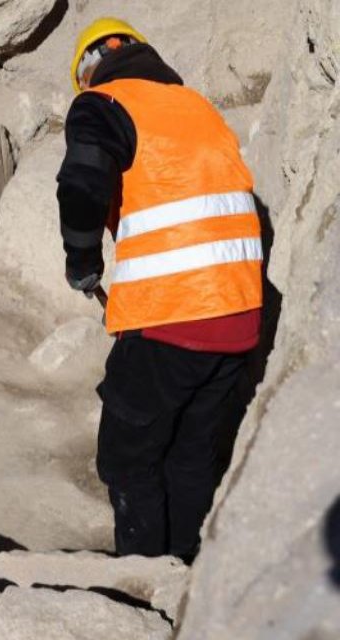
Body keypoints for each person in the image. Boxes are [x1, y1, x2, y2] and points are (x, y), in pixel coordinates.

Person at [58, 18, 263, 560]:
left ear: (87, 71)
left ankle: (143, 583)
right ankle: (186, 573)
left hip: (173, 315)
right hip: (241, 316)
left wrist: (81, 259)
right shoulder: (198, 107)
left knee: (129, 459)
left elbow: (81, 182)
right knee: (192, 454)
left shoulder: (102, 103)